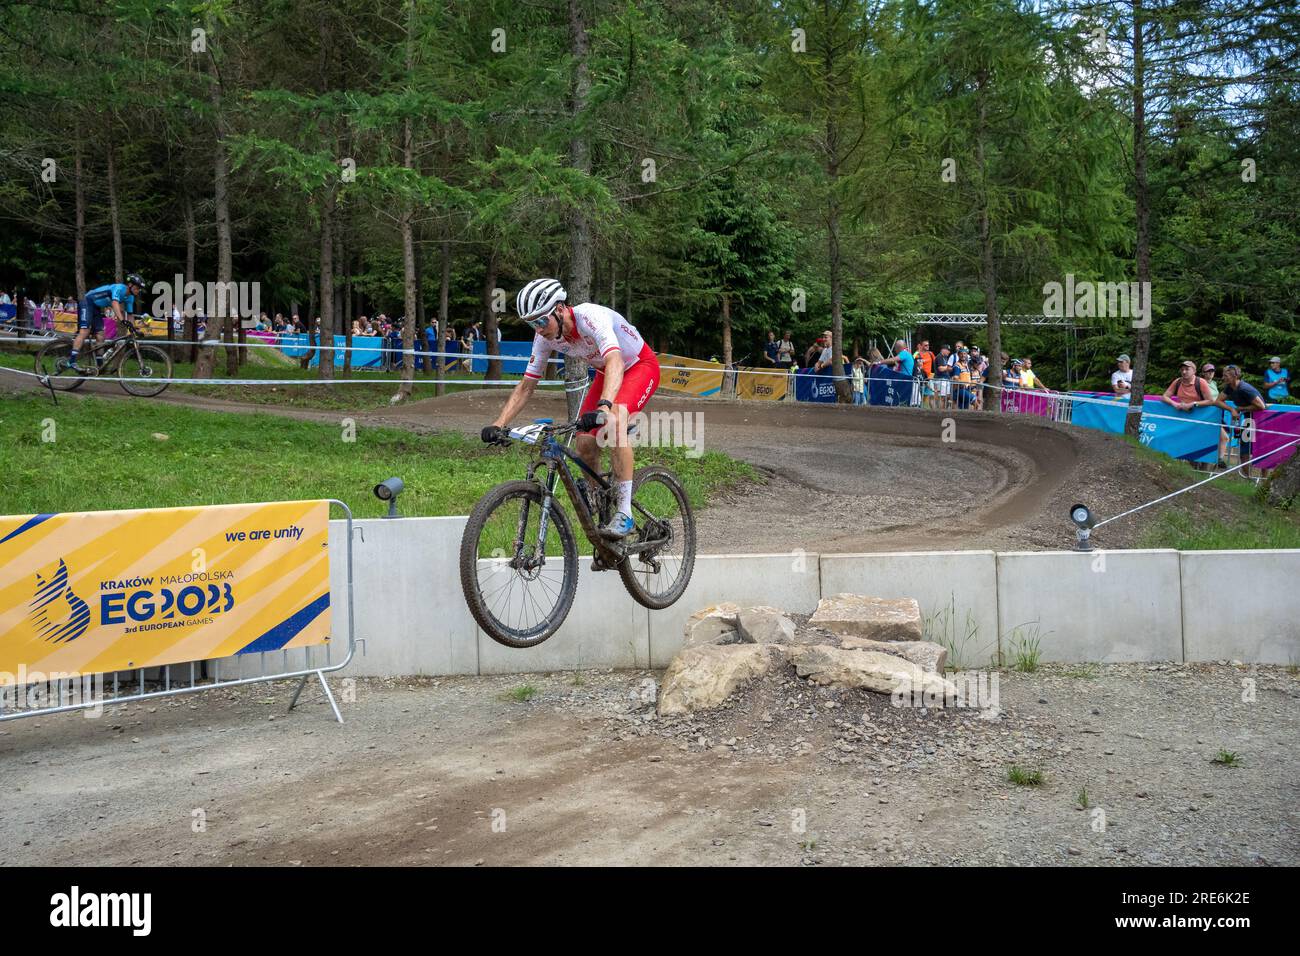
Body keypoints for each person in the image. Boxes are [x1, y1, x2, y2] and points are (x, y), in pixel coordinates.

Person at [482, 278, 661, 539]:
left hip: (638, 366)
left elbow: (614, 360)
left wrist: (605, 406)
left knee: (615, 421)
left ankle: (625, 514)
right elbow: (527, 385)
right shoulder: (545, 338)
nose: (539, 329)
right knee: (585, 443)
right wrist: (499, 423)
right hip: (606, 372)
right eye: (532, 324)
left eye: (542, 321)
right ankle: (599, 501)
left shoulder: (590, 317)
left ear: (560, 309)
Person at [67, 273, 145, 370]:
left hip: (96, 307)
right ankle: (72, 360)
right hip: (87, 301)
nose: (138, 290)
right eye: (137, 288)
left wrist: (134, 328)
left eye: (139, 289)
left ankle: (100, 366)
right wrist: (122, 320)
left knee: (101, 335)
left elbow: (130, 315)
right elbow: (114, 303)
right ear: (130, 285)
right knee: (85, 331)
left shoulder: (130, 297)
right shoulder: (119, 288)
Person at [1213, 365, 1268, 476]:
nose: (1223, 378)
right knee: (1244, 451)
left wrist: (1240, 409)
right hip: (1248, 420)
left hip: (1260, 420)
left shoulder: (1244, 388)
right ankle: (1248, 479)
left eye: (1226, 376)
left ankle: (1264, 480)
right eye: (1223, 375)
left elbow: (1261, 406)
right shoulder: (1229, 387)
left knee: (1262, 450)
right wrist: (1232, 409)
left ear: (1235, 376)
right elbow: (1217, 401)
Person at [933, 345, 953, 409]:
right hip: (940, 379)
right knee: (942, 398)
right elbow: (940, 368)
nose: (949, 352)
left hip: (945, 380)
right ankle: (940, 412)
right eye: (948, 350)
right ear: (943, 349)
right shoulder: (939, 357)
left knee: (945, 397)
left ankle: (942, 410)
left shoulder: (945, 357)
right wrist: (949, 368)